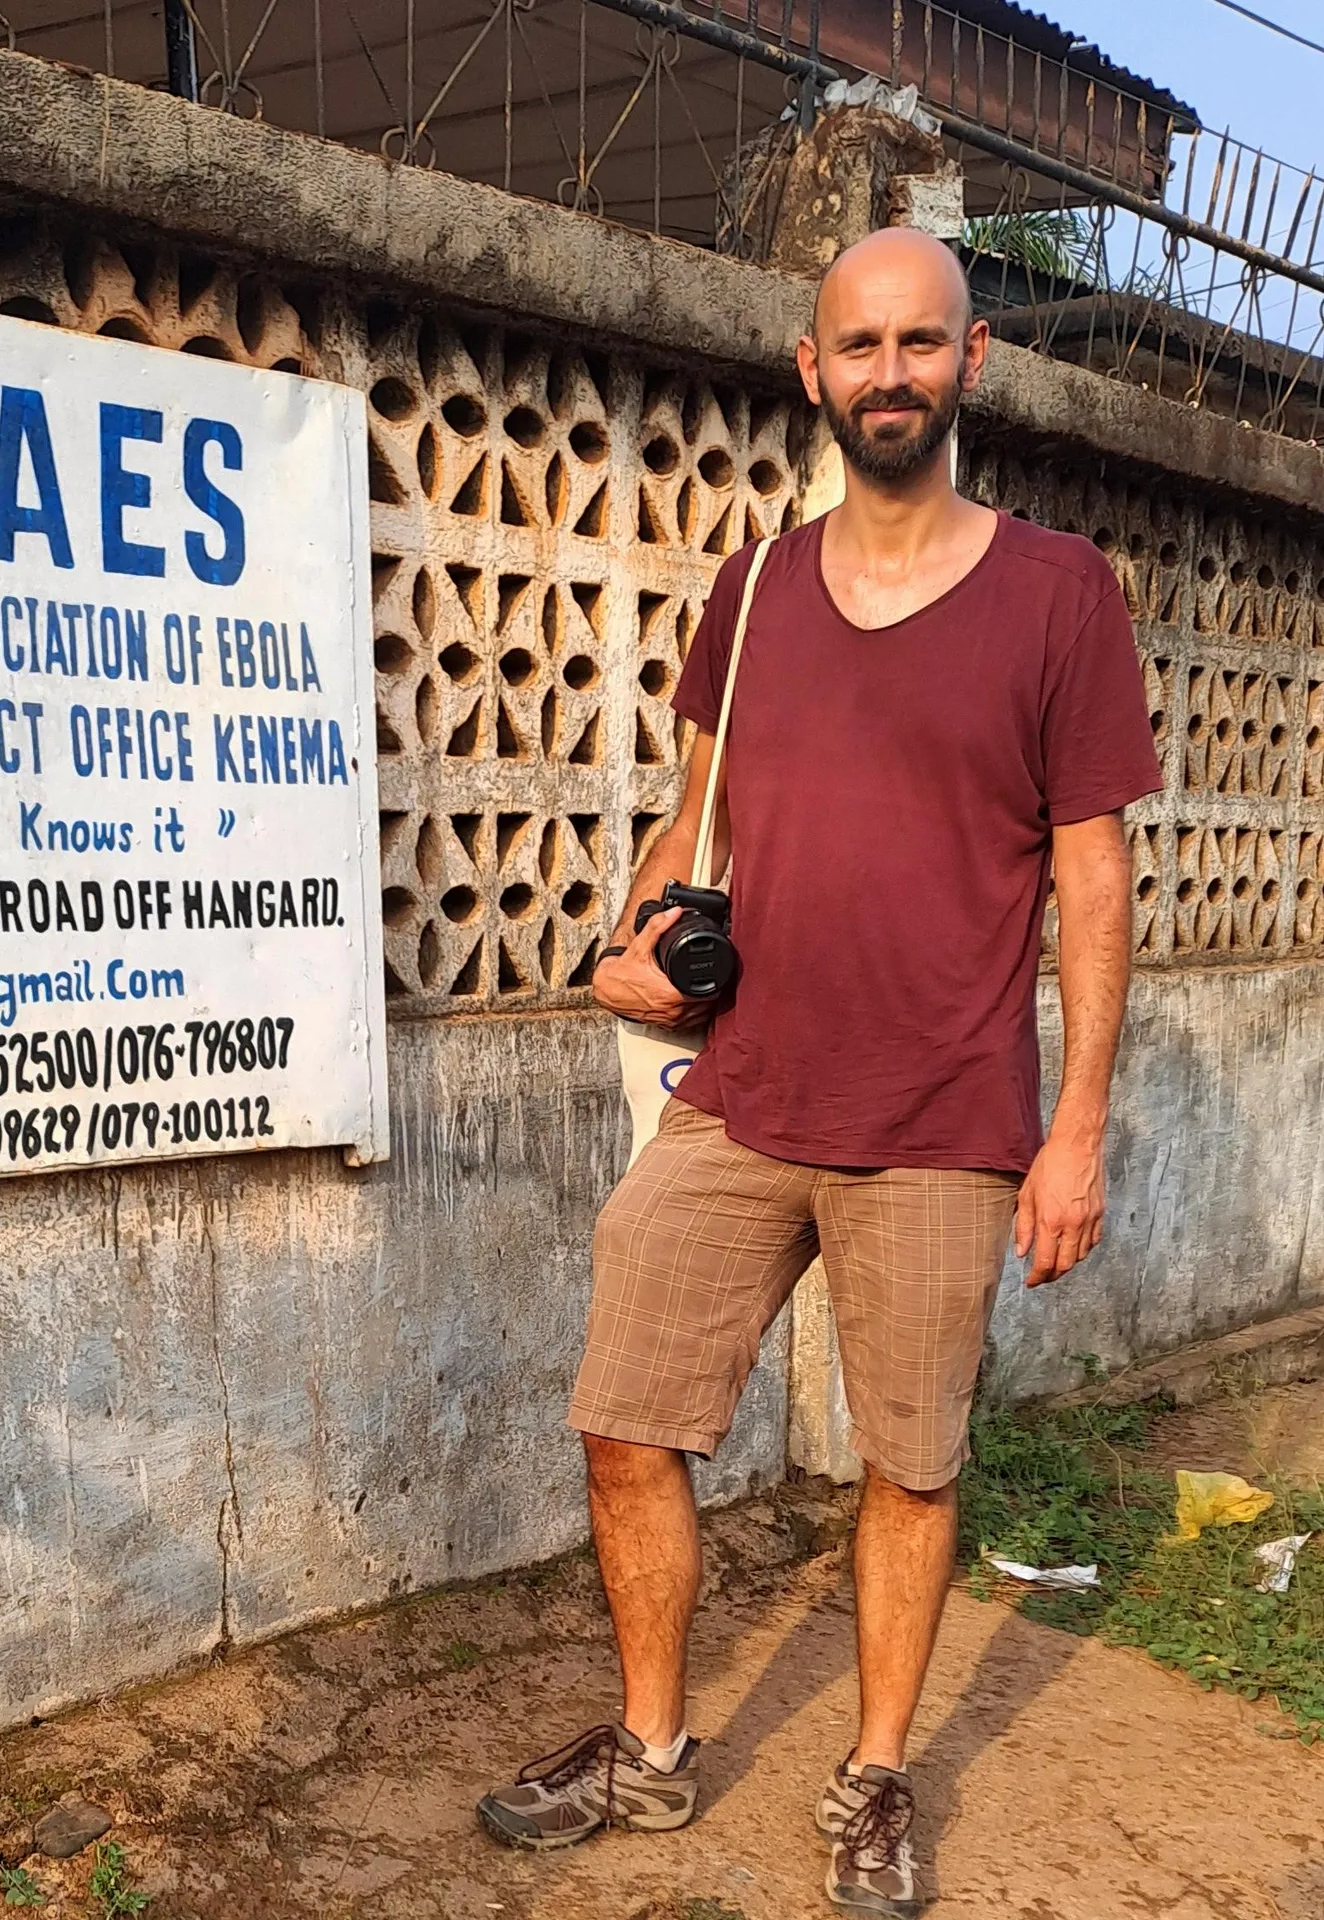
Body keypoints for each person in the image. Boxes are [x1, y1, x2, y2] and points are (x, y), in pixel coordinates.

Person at [475, 227, 1161, 1918]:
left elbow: (1093, 878)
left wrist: (1075, 1129)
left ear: (973, 361)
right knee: (625, 1419)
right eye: (858, 348)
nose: (889, 376)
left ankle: (872, 1777)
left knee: (908, 1467)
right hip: (744, 1088)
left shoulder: (1060, 594)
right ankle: (649, 1746)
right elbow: (692, 810)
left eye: (920, 344)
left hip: (941, 1117)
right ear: (811, 370)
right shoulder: (758, 586)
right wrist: (632, 938)